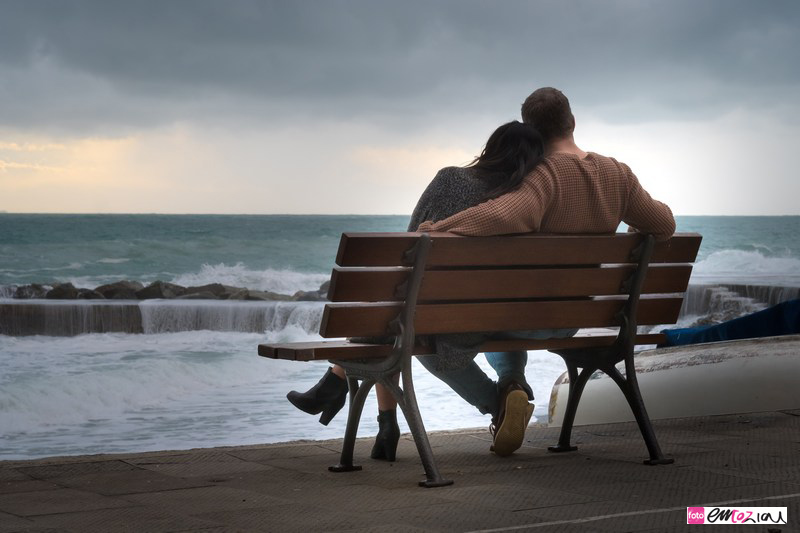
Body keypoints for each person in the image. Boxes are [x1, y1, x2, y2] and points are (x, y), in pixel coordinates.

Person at [417, 87, 677, 456]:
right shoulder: (618, 174)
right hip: (574, 318)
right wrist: (634, 231)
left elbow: (503, 215)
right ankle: (511, 387)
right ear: (572, 121)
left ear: (531, 131)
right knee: (500, 318)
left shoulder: (543, 176)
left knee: (432, 347)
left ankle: (499, 400)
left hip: (531, 316)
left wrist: (437, 229)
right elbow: (664, 224)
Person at [287, 121, 549, 461]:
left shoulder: (450, 179)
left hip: (431, 313)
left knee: (392, 317)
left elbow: (411, 244)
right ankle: (358, 403)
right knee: (397, 320)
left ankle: (350, 395)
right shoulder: (523, 202)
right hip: (488, 315)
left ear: (490, 149)